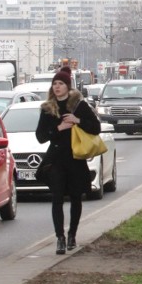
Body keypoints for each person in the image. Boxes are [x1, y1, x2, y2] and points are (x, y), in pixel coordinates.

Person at [35, 66, 101, 255]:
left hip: (75, 158)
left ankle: (72, 234)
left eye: (61, 83)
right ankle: (60, 238)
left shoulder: (79, 105)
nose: (57, 87)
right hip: (56, 159)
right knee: (57, 198)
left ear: (67, 86)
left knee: (75, 197)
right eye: (54, 84)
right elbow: (40, 136)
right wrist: (59, 128)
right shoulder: (48, 109)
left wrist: (77, 120)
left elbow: (95, 128)